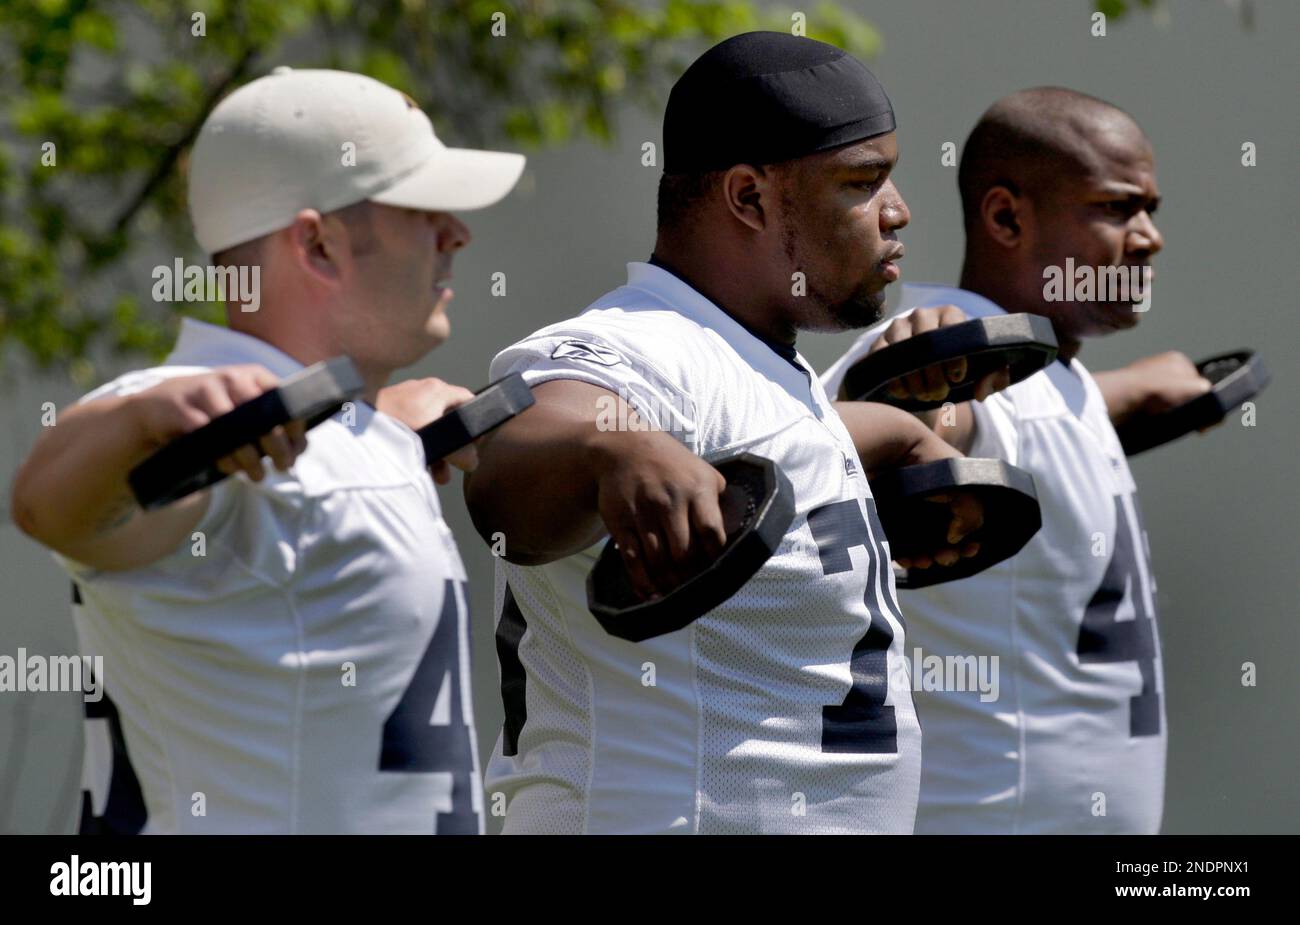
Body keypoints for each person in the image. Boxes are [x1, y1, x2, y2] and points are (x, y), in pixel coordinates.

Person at [464, 32, 992, 834]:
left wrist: (899, 433)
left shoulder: (752, 363)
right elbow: (516, 453)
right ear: (749, 198)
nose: (898, 209)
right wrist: (615, 448)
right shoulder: (646, 343)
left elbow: (761, 441)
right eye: (863, 181)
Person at [9, 67, 524, 834]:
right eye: (420, 208)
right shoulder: (189, 410)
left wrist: (383, 435)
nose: (456, 233)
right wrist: (142, 420)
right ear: (316, 244)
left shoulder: (342, 429)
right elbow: (53, 505)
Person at [821, 87, 1209, 833]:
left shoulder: (1060, 377)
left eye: (1151, 209)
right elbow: (929, 427)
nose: (1149, 235)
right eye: (1118, 207)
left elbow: (1032, 420)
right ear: (1006, 217)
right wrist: (916, 402)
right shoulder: (947, 347)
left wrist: (1127, 391)